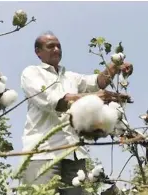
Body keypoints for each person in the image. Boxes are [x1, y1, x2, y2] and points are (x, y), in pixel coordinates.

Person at [20, 31, 133, 194]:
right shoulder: (31, 73)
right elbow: (55, 102)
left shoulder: (70, 77)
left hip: (74, 153)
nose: (57, 49)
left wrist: (115, 66)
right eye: (50, 46)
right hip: (42, 153)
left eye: (59, 46)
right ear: (38, 52)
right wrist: (96, 97)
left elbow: (98, 82)